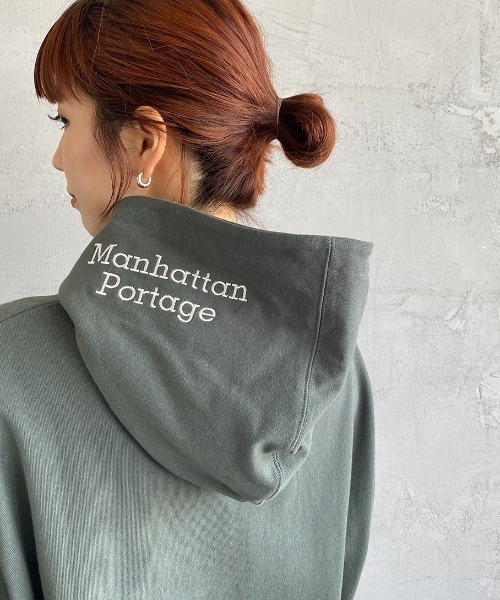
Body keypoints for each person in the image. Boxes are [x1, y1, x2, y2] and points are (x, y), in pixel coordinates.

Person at [0, 1, 375, 598]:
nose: (57, 156)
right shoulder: (330, 370)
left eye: (64, 120)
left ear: (145, 141)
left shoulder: (11, 361)